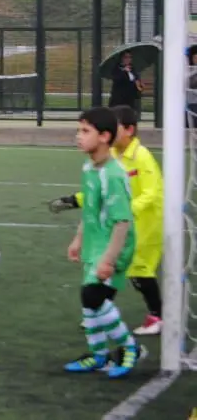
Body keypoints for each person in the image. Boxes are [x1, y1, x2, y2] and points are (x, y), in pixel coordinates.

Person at [48, 104, 164, 336]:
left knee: (139, 271)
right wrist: (75, 200)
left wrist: (124, 211)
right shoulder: (108, 158)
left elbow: (151, 193)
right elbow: (100, 194)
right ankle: (97, 310)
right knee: (111, 269)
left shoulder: (141, 156)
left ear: (128, 130)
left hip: (145, 224)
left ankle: (157, 316)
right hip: (121, 222)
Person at [63, 106, 141, 378]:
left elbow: (122, 222)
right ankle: (99, 357)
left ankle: (130, 347)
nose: (78, 136)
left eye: (85, 131)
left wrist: (109, 258)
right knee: (90, 303)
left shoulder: (114, 174)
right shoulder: (89, 167)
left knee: (93, 296)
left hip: (115, 245)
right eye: (78, 130)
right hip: (96, 244)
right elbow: (90, 210)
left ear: (105, 136)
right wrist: (78, 239)